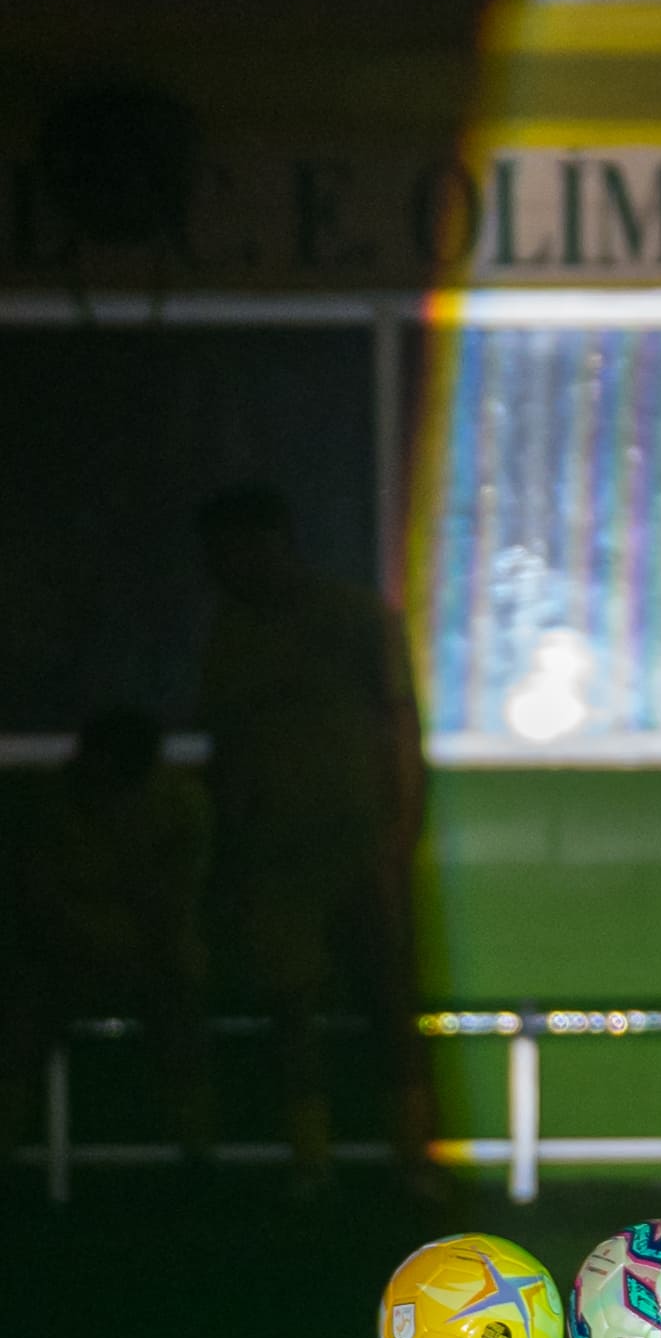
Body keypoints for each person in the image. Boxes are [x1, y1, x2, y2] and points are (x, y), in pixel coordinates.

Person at [194, 483, 429, 1188]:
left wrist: (399, 829)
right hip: (276, 851)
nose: (224, 566)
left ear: (275, 541)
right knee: (290, 1004)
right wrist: (234, 844)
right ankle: (312, 1161)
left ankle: (412, 1157)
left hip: (359, 840)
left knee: (388, 998)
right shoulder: (230, 634)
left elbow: (399, 726)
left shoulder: (355, 618)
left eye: (235, 549)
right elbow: (227, 746)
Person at [2, 707, 216, 1180]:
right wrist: (96, 937)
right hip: (63, 959)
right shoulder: (50, 806)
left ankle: (197, 1148)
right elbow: (40, 901)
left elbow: (173, 905)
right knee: (23, 1012)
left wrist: (122, 940)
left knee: (179, 998)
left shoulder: (179, 805)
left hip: (153, 958)